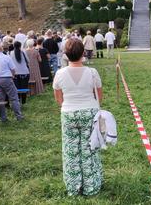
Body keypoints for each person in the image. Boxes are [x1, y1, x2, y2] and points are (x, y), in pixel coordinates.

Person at [53, 39, 103, 196]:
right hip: (89, 111)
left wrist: (68, 107)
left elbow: (58, 98)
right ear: (83, 53)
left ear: (65, 54)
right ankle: (91, 186)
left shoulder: (59, 74)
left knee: (70, 152)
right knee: (90, 150)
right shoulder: (92, 72)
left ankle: (73, 188)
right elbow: (99, 97)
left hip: (69, 113)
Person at [0, 43, 23, 122]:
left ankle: (3, 118)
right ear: (1, 48)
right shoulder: (6, 57)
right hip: (6, 78)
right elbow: (13, 69)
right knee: (14, 98)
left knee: (0, 99)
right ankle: (18, 116)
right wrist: (13, 75)